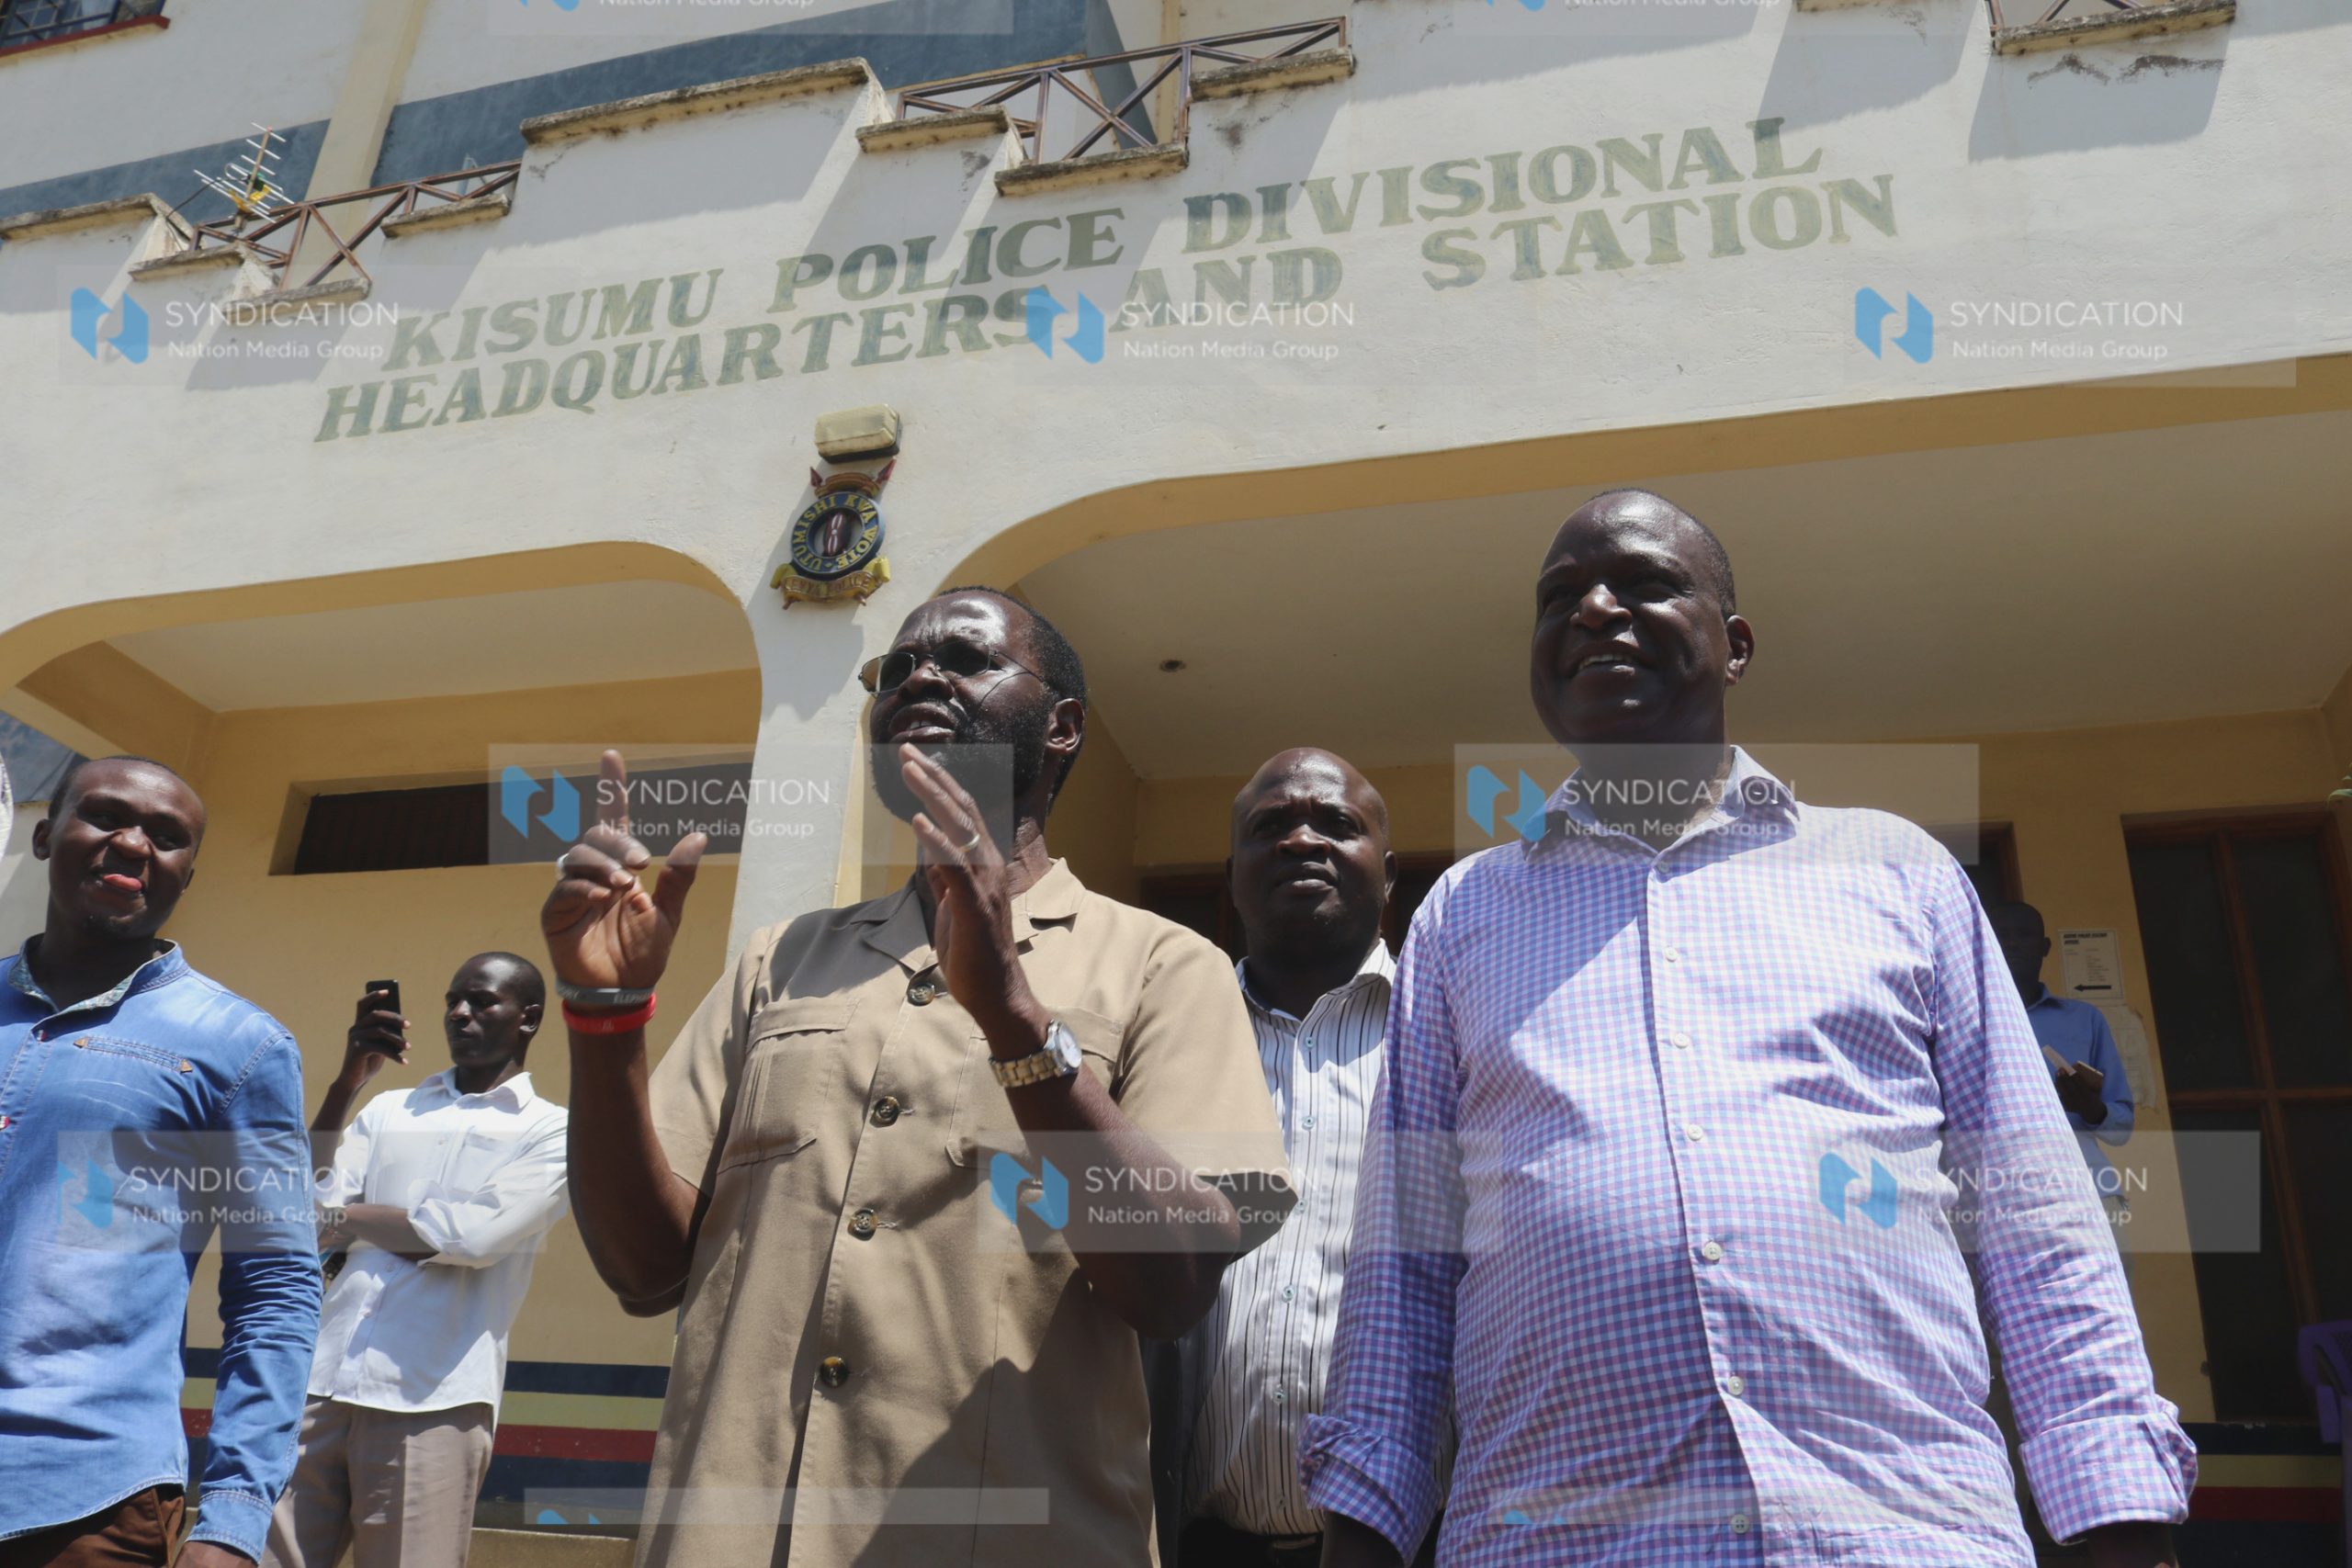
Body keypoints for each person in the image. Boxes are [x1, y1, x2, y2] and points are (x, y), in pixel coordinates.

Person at [1302, 491, 2193, 1567]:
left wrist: (2116, 1524)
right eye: (1557, 599)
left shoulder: (1896, 872)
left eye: (1642, 585)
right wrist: (1363, 1531)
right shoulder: (1464, 914)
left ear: (1734, 645)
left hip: (1901, 1535)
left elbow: (2037, 1222)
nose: (1591, 610)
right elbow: (1405, 1258)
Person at [542, 587, 1296, 1566]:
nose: (919, 677)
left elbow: (1174, 1286)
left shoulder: (1163, 963)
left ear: (1062, 726)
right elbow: (642, 1267)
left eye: (964, 658)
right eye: (894, 669)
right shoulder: (785, 960)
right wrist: (605, 1020)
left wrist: (1015, 1022)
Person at [0, 757, 318, 1567]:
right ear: (44, 834)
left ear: (187, 875)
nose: (135, 844)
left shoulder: (237, 1050)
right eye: (105, 816)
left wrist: (234, 1521)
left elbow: (274, 1291)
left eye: (167, 837)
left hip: (82, 1504)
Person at [1151, 750, 1440, 1568]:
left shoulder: (1447, 1033)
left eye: (1336, 825)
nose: (1301, 840)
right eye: (1269, 827)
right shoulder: (1167, 1041)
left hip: (1415, 1541)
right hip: (1187, 1539)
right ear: (1233, 876)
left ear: (1388, 877)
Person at [263, 954, 570, 1568]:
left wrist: (349, 1219)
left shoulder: (553, 1130)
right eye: (454, 998)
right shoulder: (390, 1108)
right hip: (320, 1384)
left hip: (434, 1398)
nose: (460, 1011)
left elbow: (471, 1238)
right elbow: (302, 1203)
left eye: (482, 1001)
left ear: (528, 1017)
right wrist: (347, 1083)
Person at [1987, 900, 2135, 1198]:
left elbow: (2122, 1129)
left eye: (2024, 935)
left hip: (2084, 1185)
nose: (2013, 944)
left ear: (2045, 947)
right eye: (2001, 936)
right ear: (1985, 945)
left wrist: (2093, 1110)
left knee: (2113, 1238)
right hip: (1996, 1189)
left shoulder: (2085, 1019)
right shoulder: (1960, 1020)